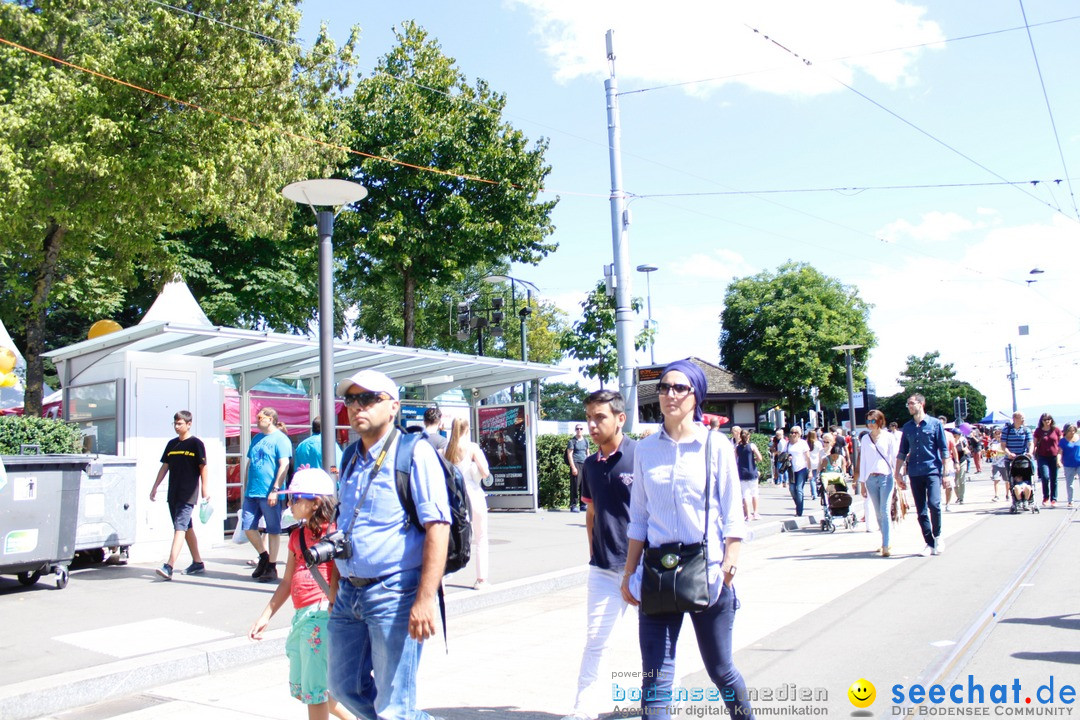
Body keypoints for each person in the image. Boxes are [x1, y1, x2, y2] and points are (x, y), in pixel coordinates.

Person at [620, 359, 753, 720]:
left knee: (721, 670)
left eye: (679, 388)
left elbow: (733, 514)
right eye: (664, 387)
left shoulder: (716, 446)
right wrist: (629, 572)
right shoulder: (645, 451)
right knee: (656, 680)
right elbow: (640, 519)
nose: (669, 394)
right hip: (658, 574)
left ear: (696, 396)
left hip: (707, 571)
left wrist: (729, 564)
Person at [327, 370, 450, 720]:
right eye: (351, 399)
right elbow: (343, 526)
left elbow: (438, 527)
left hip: (394, 592)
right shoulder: (351, 456)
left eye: (368, 399)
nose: (356, 407)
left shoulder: (415, 454)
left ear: (393, 406)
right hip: (349, 593)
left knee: (393, 707)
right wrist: (336, 585)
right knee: (343, 688)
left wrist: (425, 599)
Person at [248, 468, 352, 720]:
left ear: (315, 503)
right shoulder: (296, 536)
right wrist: (266, 616)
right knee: (310, 688)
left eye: (295, 499)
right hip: (302, 615)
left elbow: (342, 573)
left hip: (322, 615)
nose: (290, 504)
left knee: (314, 691)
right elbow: (287, 581)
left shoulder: (336, 533)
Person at [563, 390, 638, 720]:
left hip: (644, 569)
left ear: (620, 418)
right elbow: (591, 512)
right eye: (589, 418)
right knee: (596, 641)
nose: (592, 424)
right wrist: (594, 554)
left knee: (655, 641)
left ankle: (662, 702)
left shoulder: (642, 455)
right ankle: (583, 709)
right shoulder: (591, 465)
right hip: (604, 569)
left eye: (600, 417)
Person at [149, 410, 209, 580]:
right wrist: (155, 486)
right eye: (175, 423)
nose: (176, 426)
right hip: (173, 493)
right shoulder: (171, 444)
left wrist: (205, 489)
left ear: (189, 424)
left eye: (180, 423)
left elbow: (203, 467)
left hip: (188, 494)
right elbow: (164, 466)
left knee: (179, 527)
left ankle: (169, 565)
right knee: (186, 527)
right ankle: (198, 562)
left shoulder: (196, 444)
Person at [894, 395, 950, 557]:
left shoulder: (935, 424)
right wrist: (898, 473)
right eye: (908, 404)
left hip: (932, 469)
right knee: (921, 510)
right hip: (915, 472)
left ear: (921, 404)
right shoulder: (908, 427)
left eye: (912, 403)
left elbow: (944, 449)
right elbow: (902, 452)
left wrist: (946, 473)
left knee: (934, 503)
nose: (909, 406)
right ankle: (929, 542)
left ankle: (938, 536)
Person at [243, 407, 294, 583]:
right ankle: (264, 556)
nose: (257, 420)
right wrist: (245, 485)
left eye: (260, 417)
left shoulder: (281, 439)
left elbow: (284, 465)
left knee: (273, 530)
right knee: (248, 526)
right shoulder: (257, 438)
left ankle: (271, 566)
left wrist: (275, 489)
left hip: (269, 492)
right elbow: (250, 463)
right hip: (252, 491)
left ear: (270, 419)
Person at [443, 416, 491, 590]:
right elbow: (485, 472)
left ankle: (441, 579)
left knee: (448, 538)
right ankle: (481, 580)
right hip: (472, 493)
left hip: (453, 496)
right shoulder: (472, 448)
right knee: (481, 537)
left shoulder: (446, 450)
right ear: (467, 428)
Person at [855, 410, 898, 557]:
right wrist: (862, 482)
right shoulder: (866, 439)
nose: (870, 424)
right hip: (871, 479)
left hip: (886, 477)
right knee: (878, 512)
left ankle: (886, 544)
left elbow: (894, 457)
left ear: (880, 421)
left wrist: (899, 475)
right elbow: (864, 461)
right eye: (868, 421)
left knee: (885, 510)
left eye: (873, 421)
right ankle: (884, 539)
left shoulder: (889, 437)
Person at [1033, 413, 1062, 507]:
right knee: (1045, 477)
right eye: (1045, 419)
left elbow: (1061, 444)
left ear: (1051, 420)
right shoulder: (1038, 431)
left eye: (1049, 419)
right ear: (1042, 421)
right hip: (1042, 456)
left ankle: (1054, 499)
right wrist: (1033, 452)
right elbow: (1035, 443)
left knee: (1054, 478)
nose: (1047, 421)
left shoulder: (1056, 430)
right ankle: (1046, 497)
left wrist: (1060, 457)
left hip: (1054, 456)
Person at [736, 430, 762, 521]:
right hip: (752, 472)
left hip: (742, 473)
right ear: (748, 436)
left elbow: (735, 459)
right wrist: (753, 459)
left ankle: (747, 515)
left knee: (745, 494)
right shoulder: (752, 446)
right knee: (754, 493)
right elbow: (760, 458)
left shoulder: (737, 447)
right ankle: (755, 513)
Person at [785, 427, 811, 517]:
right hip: (791, 469)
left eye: (795, 432)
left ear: (799, 434)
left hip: (802, 469)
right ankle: (799, 504)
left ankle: (799, 511)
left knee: (799, 489)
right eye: (791, 432)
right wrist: (787, 457)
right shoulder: (788, 444)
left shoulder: (803, 443)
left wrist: (810, 470)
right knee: (792, 489)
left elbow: (808, 457)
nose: (793, 434)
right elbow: (783, 454)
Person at [566, 424, 590, 512]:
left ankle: (583, 505)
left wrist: (589, 465)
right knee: (575, 486)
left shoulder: (586, 441)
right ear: (575, 430)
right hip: (576, 464)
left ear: (583, 430)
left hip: (584, 464)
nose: (579, 430)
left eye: (581, 428)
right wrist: (573, 467)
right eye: (577, 429)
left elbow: (588, 453)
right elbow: (569, 454)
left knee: (584, 486)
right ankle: (573, 505)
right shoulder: (572, 441)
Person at [1059, 424, 1080, 508]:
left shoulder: (1078, 438)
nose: (1072, 432)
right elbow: (1060, 452)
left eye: (1073, 430)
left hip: (1079, 463)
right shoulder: (1063, 441)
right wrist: (1058, 460)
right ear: (1066, 431)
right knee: (1069, 484)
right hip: (1068, 464)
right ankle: (1070, 500)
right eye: (1070, 431)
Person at [988, 428, 1008, 500]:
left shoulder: (1005, 442)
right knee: (996, 479)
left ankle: (1007, 494)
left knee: (1007, 480)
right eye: (997, 433)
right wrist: (996, 453)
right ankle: (996, 495)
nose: (999, 435)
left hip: (1004, 463)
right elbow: (990, 454)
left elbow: (1006, 452)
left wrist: (997, 452)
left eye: (1000, 433)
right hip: (995, 463)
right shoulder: (992, 442)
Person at [806, 430, 823, 501]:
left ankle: (814, 494)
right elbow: (821, 453)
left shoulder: (807, 443)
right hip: (817, 462)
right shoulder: (818, 443)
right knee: (817, 478)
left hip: (809, 463)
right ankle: (817, 492)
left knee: (812, 479)